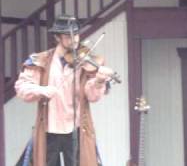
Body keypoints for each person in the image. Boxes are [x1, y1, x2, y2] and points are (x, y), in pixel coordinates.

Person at [15, 14, 114, 166]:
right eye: (68, 36)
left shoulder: (85, 61)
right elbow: (22, 88)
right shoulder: (41, 60)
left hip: (77, 128)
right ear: (57, 38)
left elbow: (92, 96)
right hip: (49, 129)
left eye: (76, 35)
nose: (74, 40)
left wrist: (99, 81)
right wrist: (41, 90)